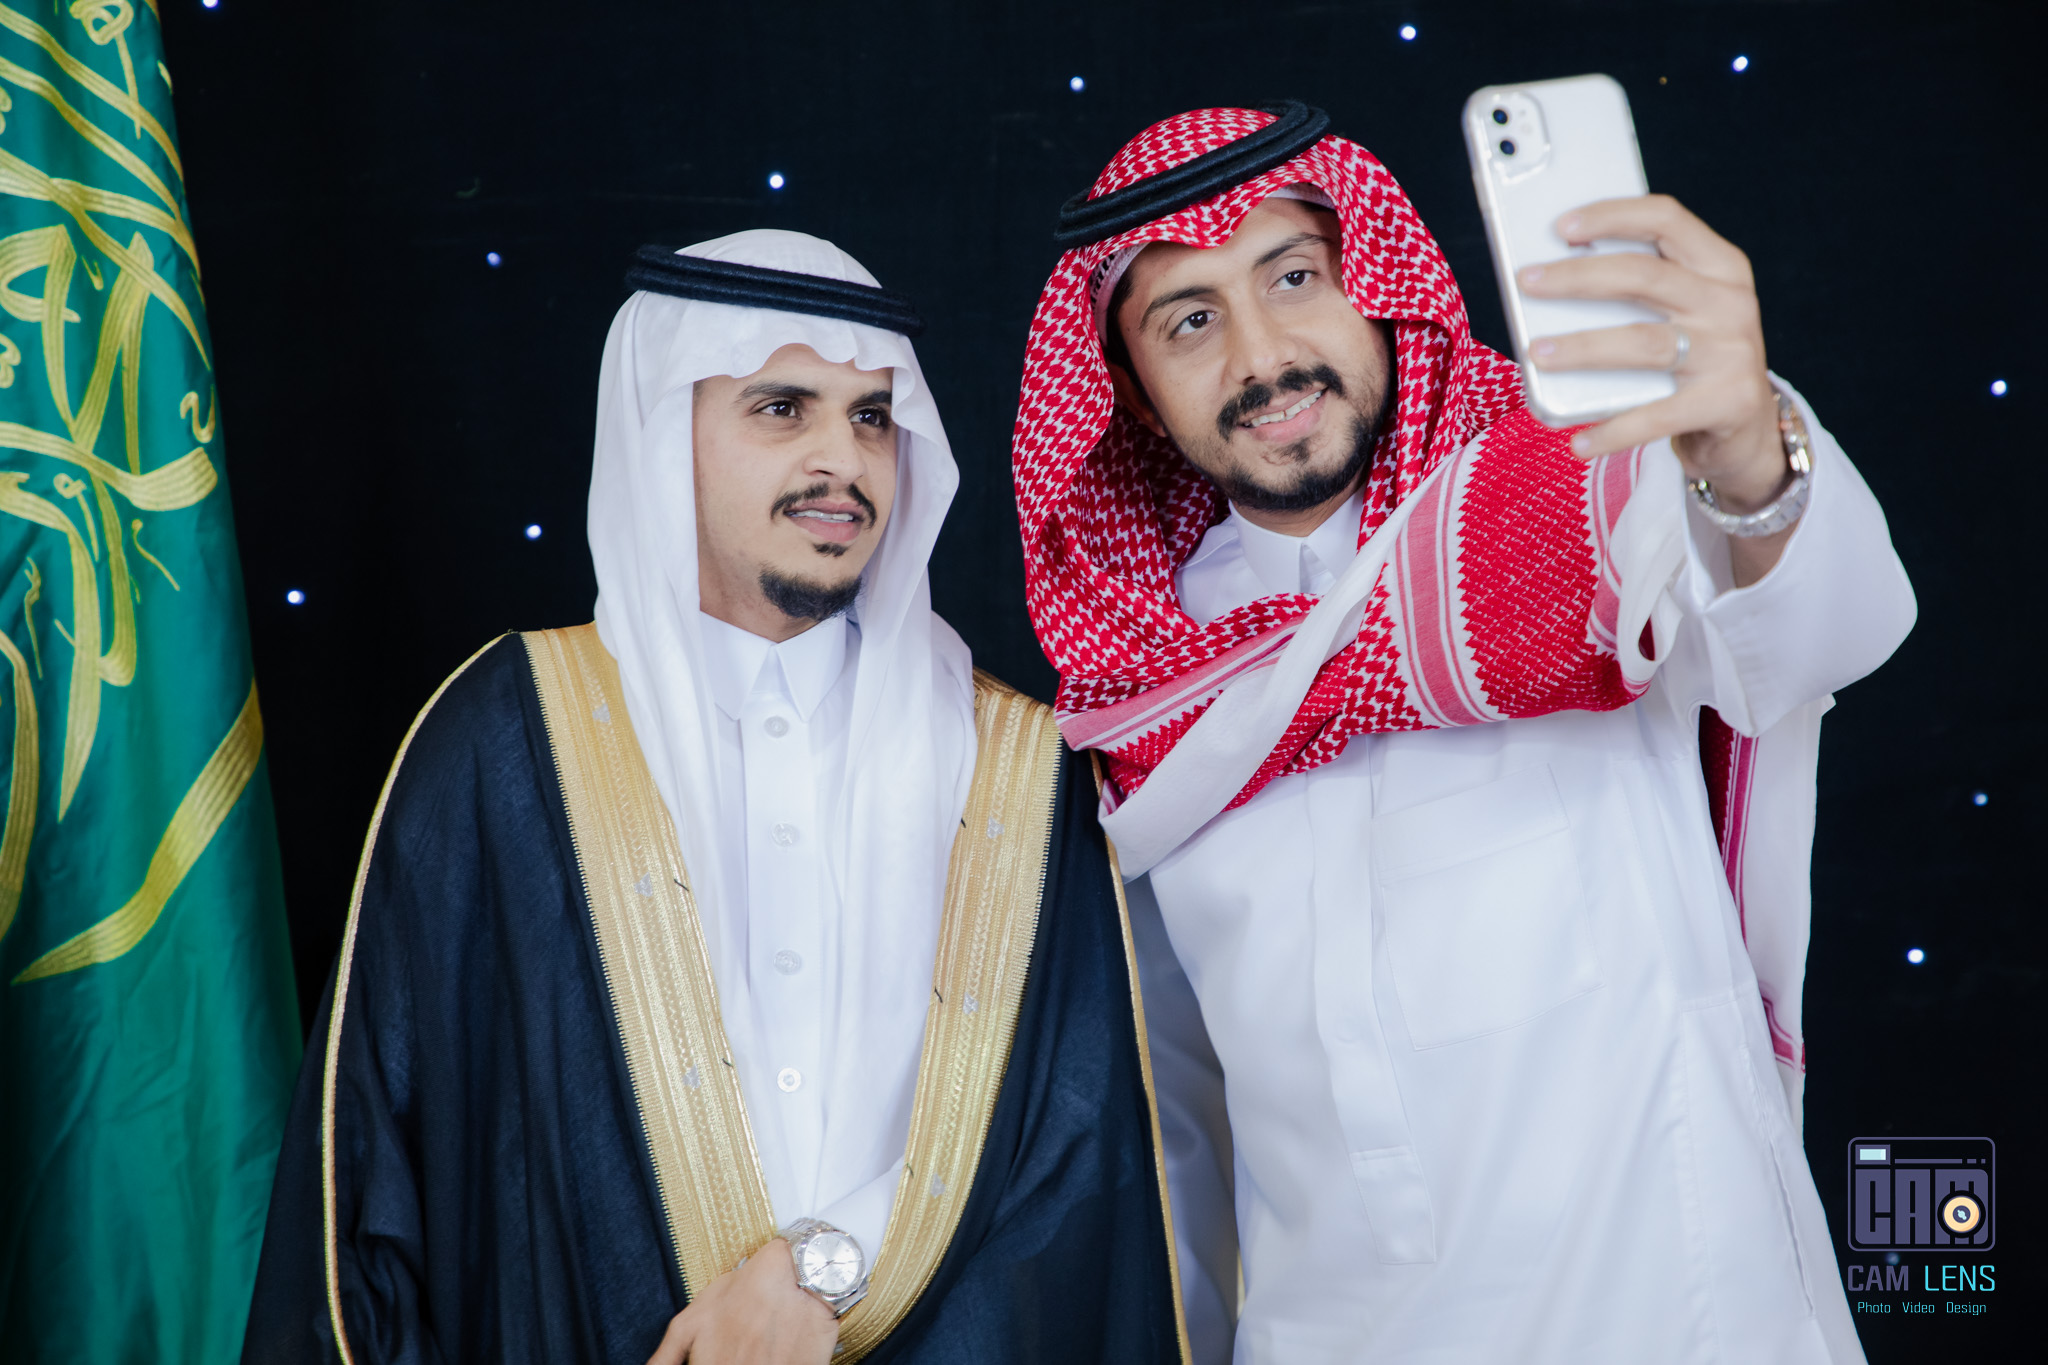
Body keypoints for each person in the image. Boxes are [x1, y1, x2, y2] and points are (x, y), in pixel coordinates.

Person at [1009, 104, 1914, 1363]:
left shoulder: (1583, 492)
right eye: (1190, 321)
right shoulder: (1139, 688)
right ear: (1137, 401)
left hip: (1681, 1317)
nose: (1263, 355)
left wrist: (1746, 454)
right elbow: (1178, 1126)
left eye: (1293, 277)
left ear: (1376, 287)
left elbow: (1826, 629)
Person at [243, 230, 1186, 1365]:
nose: (842, 460)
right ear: (661, 435)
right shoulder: (504, 738)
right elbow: (379, 1178)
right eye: (781, 408)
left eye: (871, 417)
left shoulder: (1022, 768)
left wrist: (823, 1273)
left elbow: (1083, 1148)